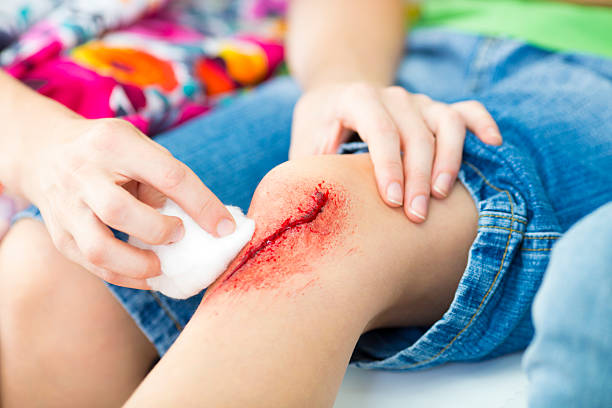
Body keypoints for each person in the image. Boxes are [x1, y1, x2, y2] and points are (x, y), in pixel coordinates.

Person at [1, 1, 611, 407]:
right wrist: (343, 83)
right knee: (56, 269)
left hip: (591, 68)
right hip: (411, 50)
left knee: (317, 220)